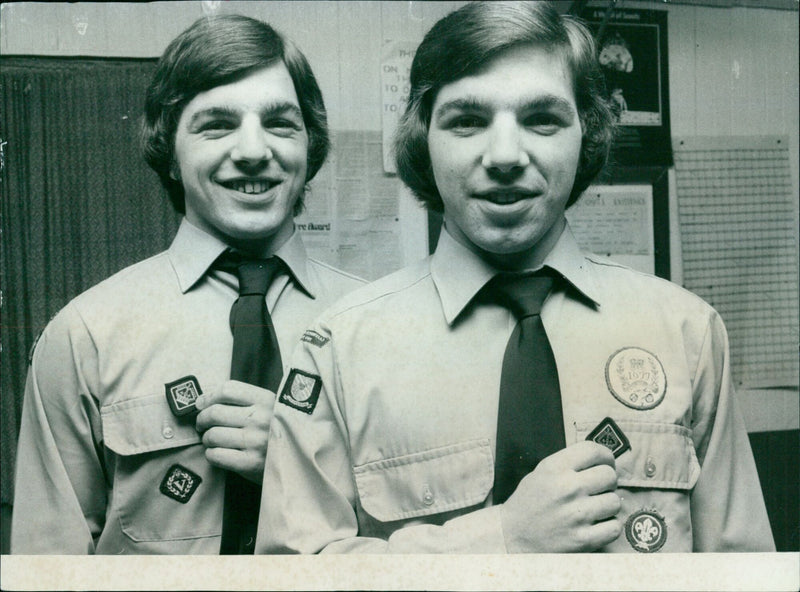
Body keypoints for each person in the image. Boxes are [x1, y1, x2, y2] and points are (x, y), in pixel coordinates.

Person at [256, 1, 774, 554]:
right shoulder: (337, 350)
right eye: (468, 121)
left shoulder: (688, 333)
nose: (504, 155)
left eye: (542, 119)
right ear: (421, 139)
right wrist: (500, 539)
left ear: (588, 134)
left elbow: (742, 572)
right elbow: (294, 576)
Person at [11, 14, 363, 554]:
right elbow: (48, 568)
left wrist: (303, 464)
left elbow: (422, 548)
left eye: (281, 124)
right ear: (168, 152)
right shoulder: (85, 336)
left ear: (309, 148)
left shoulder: (374, 324)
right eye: (216, 125)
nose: (252, 150)